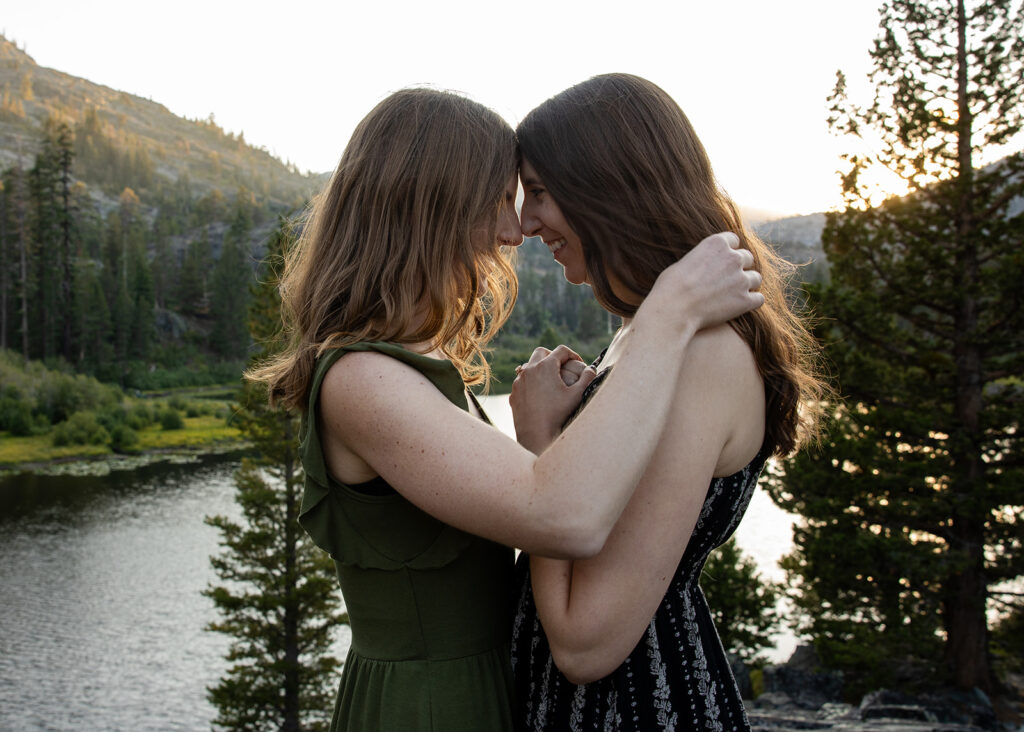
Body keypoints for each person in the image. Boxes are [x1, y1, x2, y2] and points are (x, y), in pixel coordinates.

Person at [247, 87, 763, 731]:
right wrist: (668, 312)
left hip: (506, 693)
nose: (513, 230)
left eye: (530, 196)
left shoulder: (416, 362)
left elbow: (549, 514)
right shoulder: (364, 379)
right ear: (428, 206)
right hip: (433, 709)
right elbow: (557, 513)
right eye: (499, 200)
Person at [509, 73, 827, 731]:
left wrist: (540, 440)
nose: (525, 221)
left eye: (539, 192)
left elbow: (584, 641)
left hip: (631, 709)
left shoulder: (704, 354)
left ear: (607, 184)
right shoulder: (653, 330)